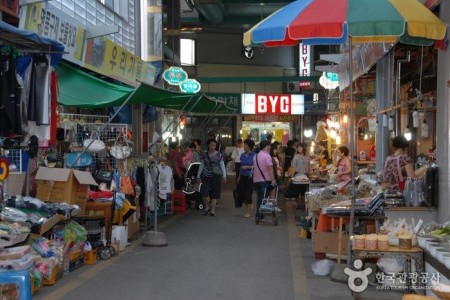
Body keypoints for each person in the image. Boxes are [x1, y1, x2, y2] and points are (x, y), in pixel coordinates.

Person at [197, 139, 227, 217]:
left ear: (216, 146)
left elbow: (222, 166)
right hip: (206, 176)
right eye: (211, 145)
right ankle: (207, 206)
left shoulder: (219, 155)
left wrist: (224, 175)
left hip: (216, 176)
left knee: (215, 193)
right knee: (204, 192)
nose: (213, 147)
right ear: (208, 146)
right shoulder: (204, 155)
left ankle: (212, 209)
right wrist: (198, 175)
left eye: (214, 145)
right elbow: (202, 165)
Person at [253, 140, 276, 220]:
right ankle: (258, 215)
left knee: (260, 198)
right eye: (268, 146)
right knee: (263, 199)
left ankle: (260, 215)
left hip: (256, 181)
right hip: (265, 180)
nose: (270, 147)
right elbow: (270, 169)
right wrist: (273, 180)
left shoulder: (255, 156)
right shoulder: (267, 156)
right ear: (265, 147)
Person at [236, 139, 256, 218]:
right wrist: (238, 177)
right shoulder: (242, 155)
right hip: (242, 177)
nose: (244, 146)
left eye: (246, 145)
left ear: (250, 146)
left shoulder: (255, 156)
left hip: (250, 177)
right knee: (241, 194)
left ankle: (249, 212)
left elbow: (256, 167)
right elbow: (241, 167)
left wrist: (247, 167)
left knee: (248, 195)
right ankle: (249, 206)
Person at [291, 143, 310, 210]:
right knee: (297, 191)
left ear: (303, 148)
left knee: (304, 191)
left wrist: (309, 174)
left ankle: (303, 204)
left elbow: (309, 166)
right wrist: (291, 176)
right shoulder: (296, 157)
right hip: (297, 176)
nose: (299, 149)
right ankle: (298, 204)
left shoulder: (307, 156)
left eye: (300, 147)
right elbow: (293, 167)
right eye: (298, 148)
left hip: (305, 176)